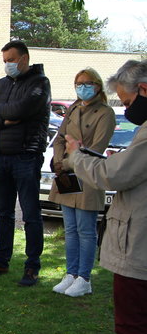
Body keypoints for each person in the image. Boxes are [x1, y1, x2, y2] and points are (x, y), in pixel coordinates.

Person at [68, 59, 147, 334]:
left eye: (128, 100)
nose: (127, 108)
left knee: (133, 333)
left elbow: (113, 175)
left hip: (139, 250)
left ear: (144, 90)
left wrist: (77, 154)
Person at [0, 40, 51, 286]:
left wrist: (0, 111)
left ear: (24, 58)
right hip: (1, 157)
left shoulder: (40, 83)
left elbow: (22, 109)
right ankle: (1, 260)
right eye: (4, 61)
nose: (7, 65)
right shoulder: (2, 84)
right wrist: (1, 120)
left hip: (26, 156)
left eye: (10, 59)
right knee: (4, 213)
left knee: (30, 214)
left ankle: (32, 266)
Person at [49, 68, 115, 297]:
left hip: (87, 175)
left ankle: (84, 278)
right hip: (67, 176)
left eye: (87, 83)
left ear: (97, 86)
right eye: (78, 83)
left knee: (86, 231)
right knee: (71, 229)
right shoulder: (74, 108)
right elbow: (59, 138)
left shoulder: (105, 113)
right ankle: (71, 272)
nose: (82, 87)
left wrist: (67, 163)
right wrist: (58, 161)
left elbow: (96, 149)